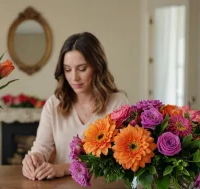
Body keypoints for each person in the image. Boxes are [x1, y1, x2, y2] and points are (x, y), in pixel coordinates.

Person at [22, 32, 129, 180]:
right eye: (67, 69)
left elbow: (115, 160)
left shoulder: (117, 104)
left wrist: (65, 168)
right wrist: (34, 159)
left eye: (82, 68)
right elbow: (42, 148)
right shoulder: (54, 104)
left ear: (97, 67)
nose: (74, 77)